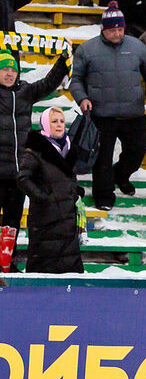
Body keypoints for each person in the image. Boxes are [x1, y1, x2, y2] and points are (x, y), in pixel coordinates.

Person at [69, 4, 146, 211]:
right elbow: (76, 80)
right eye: (112, 30)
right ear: (103, 29)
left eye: (120, 29)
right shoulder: (87, 49)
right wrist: (82, 98)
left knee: (138, 150)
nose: (117, 34)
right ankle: (103, 196)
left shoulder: (137, 46)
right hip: (101, 114)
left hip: (132, 113)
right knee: (102, 158)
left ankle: (120, 174)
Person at [0, 49, 68, 244]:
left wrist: (63, 61)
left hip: (18, 176)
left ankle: (8, 259)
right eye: (4, 69)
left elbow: (48, 83)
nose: (9, 74)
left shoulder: (25, 92)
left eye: (13, 70)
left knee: (12, 223)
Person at [17, 106, 82, 273]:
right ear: (45, 124)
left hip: (67, 218)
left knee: (70, 268)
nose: (59, 124)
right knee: (44, 268)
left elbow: (70, 178)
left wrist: (74, 193)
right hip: (45, 218)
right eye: (54, 121)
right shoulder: (35, 151)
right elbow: (23, 178)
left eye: (62, 121)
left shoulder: (69, 149)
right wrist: (44, 198)